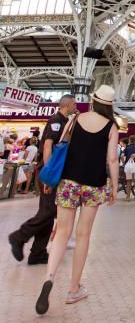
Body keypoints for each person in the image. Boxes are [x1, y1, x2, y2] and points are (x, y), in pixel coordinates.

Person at [34, 84, 119, 316]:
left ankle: (49, 278)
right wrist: (115, 185)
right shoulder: (112, 126)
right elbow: (112, 159)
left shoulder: (75, 119)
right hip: (94, 184)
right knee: (83, 235)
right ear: (110, 105)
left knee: (62, 232)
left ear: (94, 100)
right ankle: (73, 289)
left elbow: (61, 144)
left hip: (68, 182)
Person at [8, 94, 77, 266]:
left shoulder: (65, 122)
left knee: (49, 212)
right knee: (49, 211)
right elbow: (47, 146)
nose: (76, 106)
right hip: (50, 173)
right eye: (74, 103)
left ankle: (38, 253)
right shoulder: (56, 120)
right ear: (68, 104)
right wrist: (48, 173)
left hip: (55, 173)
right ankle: (18, 236)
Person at [123, 135, 135, 201]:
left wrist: (123, 164)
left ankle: (128, 197)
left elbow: (123, 155)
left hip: (128, 165)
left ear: (129, 140)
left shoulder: (127, 148)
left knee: (128, 181)